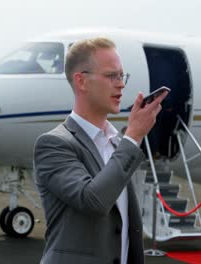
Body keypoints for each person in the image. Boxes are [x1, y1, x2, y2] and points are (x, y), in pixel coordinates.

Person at [33, 37, 167, 264]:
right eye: (111, 76)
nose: (121, 84)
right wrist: (133, 136)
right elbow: (93, 201)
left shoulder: (117, 143)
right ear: (81, 81)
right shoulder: (54, 144)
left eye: (121, 76)